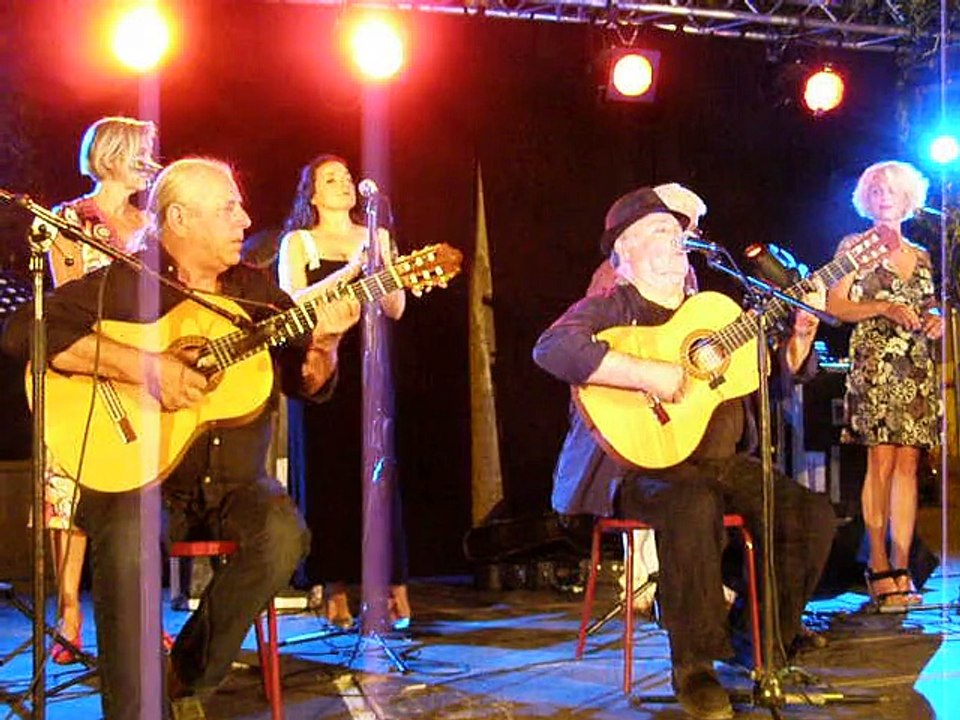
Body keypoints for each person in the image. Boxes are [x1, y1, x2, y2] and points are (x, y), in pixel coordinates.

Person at [2, 157, 361, 719]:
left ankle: (185, 675)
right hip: (137, 476)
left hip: (236, 487)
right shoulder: (128, 283)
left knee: (284, 536)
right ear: (180, 219)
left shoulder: (255, 293)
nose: (245, 220)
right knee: (127, 533)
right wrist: (142, 366)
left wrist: (325, 347)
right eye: (228, 209)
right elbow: (27, 330)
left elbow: (308, 383)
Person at [533, 186, 836, 720]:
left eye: (678, 234)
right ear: (624, 252)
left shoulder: (714, 310)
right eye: (659, 233)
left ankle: (755, 638)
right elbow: (552, 348)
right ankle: (694, 667)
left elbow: (771, 380)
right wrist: (648, 373)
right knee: (692, 504)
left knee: (809, 514)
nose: (676, 243)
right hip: (638, 466)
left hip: (718, 462)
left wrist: (800, 336)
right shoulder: (610, 305)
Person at [277, 154, 410, 630]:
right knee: (327, 470)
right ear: (311, 193)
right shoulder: (299, 241)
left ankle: (389, 585)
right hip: (319, 366)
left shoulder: (379, 238)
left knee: (377, 472)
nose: (343, 185)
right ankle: (333, 586)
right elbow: (291, 302)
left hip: (370, 364)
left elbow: (396, 308)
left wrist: (382, 273)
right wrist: (350, 270)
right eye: (330, 179)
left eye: (347, 178)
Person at [44, 116, 158, 664]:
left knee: (136, 494)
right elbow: (65, 299)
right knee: (66, 495)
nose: (150, 160)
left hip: (138, 370)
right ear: (113, 154)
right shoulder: (69, 218)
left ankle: (141, 615)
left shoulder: (153, 223)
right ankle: (68, 614)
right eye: (143, 151)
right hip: (81, 370)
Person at [825, 160, 943, 609]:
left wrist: (934, 322)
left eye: (891, 190)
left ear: (908, 198)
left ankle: (902, 565)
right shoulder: (854, 246)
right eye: (875, 190)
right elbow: (836, 306)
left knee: (909, 467)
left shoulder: (923, 256)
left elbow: (930, 306)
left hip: (915, 367)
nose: (883, 197)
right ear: (866, 199)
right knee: (881, 464)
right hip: (875, 363)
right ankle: (877, 565)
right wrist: (881, 307)